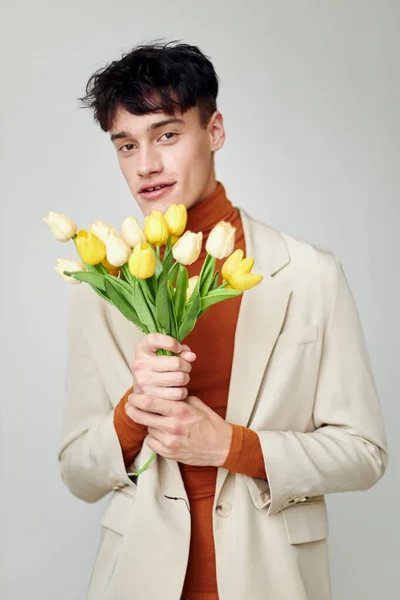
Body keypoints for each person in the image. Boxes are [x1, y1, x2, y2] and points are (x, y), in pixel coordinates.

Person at [58, 40, 388, 600]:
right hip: (138, 578)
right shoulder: (102, 285)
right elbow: (79, 471)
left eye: (166, 135)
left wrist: (234, 447)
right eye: (126, 146)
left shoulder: (309, 274)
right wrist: (131, 416)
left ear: (214, 132)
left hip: (273, 578)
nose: (146, 166)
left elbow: (365, 453)